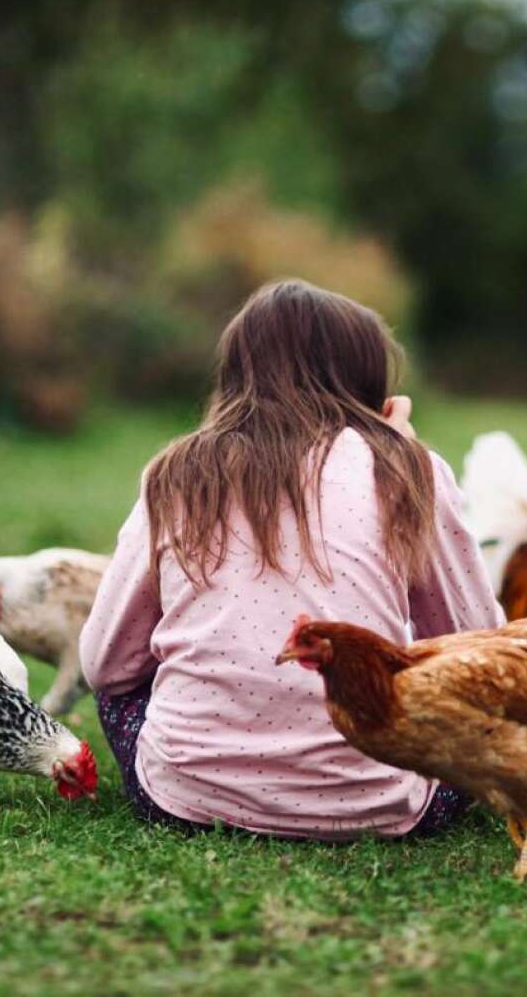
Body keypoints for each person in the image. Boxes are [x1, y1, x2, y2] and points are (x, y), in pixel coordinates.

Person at [79, 279, 503, 838]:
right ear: (369, 385)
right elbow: (477, 650)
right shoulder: (411, 471)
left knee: (123, 693)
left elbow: (106, 665)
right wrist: (404, 458)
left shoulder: (174, 474)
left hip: (184, 800)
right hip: (382, 807)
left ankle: (206, 765)